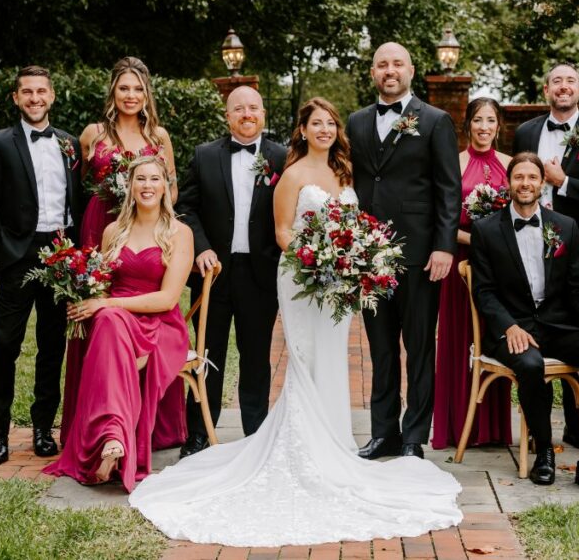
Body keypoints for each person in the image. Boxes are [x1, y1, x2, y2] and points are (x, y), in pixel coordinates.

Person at [128, 98, 462, 546]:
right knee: (303, 360)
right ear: (302, 130)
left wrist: (348, 261)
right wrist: (317, 260)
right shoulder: (291, 174)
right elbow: (283, 231)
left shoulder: (345, 173)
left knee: (331, 358)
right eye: (315, 123)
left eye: (330, 123)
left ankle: (334, 444)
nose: (324, 130)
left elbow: (355, 220)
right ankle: (297, 447)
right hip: (303, 277)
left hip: (337, 280)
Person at [470, 152, 579, 496]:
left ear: (542, 183)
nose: (525, 183)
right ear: (508, 183)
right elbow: (484, 292)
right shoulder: (486, 230)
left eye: (532, 177)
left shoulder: (565, 226)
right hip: (512, 330)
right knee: (530, 364)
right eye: (518, 177)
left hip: (557, 327)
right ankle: (544, 451)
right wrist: (509, 326)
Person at [43, 156, 192, 490]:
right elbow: (102, 285)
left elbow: (168, 299)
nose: (147, 186)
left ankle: (111, 437)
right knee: (109, 323)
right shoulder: (113, 231)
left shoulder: (179, 233)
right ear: (130, 186)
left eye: (155, 179)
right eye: (141, 179)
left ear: (165, 187)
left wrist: (106, 304)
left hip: (159, 323)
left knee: (108, 320)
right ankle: (114, 438)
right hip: (115, 324)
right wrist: (84, 293)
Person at [347, 42, 460, 459]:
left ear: (411, 70)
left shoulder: (435, 121)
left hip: (419, 254)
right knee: (380, 350)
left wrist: (444, 247)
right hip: (369, 256)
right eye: (382, 65)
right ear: (373, 72)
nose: (389, 71)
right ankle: (384, 433)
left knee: (418, 349)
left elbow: (449, 190)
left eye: (397, 64)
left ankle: (413, 438)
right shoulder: (356, 122)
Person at [62, 56, 179, 446]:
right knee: (96, 316)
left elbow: (172, 190)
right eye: (124, 87)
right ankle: (91, 426)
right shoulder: (92, 135)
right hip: (101, 230)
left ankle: (143, 426)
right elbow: (78, 188)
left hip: (147, 232)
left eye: (138, 89)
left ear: (147, 94)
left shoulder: (158, 137)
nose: (131, 95)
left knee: (131, 312)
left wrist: (154, 219)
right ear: (113, 91)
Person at [0, 65, 84, 464]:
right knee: (6, 344)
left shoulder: (70, 144)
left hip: (61, 254)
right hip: (18, 255)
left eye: (41, 91)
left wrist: (75, 253)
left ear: (52, 96)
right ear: (16, 98)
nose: (35, 98)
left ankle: (43, 429)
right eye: (27, 92)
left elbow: (78, 200)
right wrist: (3, 252)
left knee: (52, 346)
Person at [174, 86, 288, 457]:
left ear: (263, 113)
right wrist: (201, 248)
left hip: (260, 273)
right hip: (213, 273)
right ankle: (198, 432)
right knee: (207, 354)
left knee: (256, 356)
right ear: (227, 116)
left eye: (253, 107)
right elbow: (185, 209)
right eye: (239, 108)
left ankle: (255, 435)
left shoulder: (282, 158)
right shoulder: (204, 155)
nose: (247, 114)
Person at [511, 62, 579, 447]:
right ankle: (539, 431)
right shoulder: (526, 132)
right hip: (528, 244)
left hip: (578, 250)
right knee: (537, 329)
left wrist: (565, 182)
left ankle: (577, 429)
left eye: (570, 81)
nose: (564, 87)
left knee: (576, 332)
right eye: (557, 81)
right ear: (546, 90)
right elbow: (516, 182)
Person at [432, 97, 515, 450]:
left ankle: (492, 428)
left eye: (490, 120)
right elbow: (441, 218)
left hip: (500, 266)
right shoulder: (453, 163)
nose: (484, 127)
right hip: (462, 262)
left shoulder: (511, 165)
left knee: (495, 334)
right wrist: (479, 239)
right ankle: (456, 425)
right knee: (459, 336)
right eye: (478, 120)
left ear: (499, 126)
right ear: (467, 125)